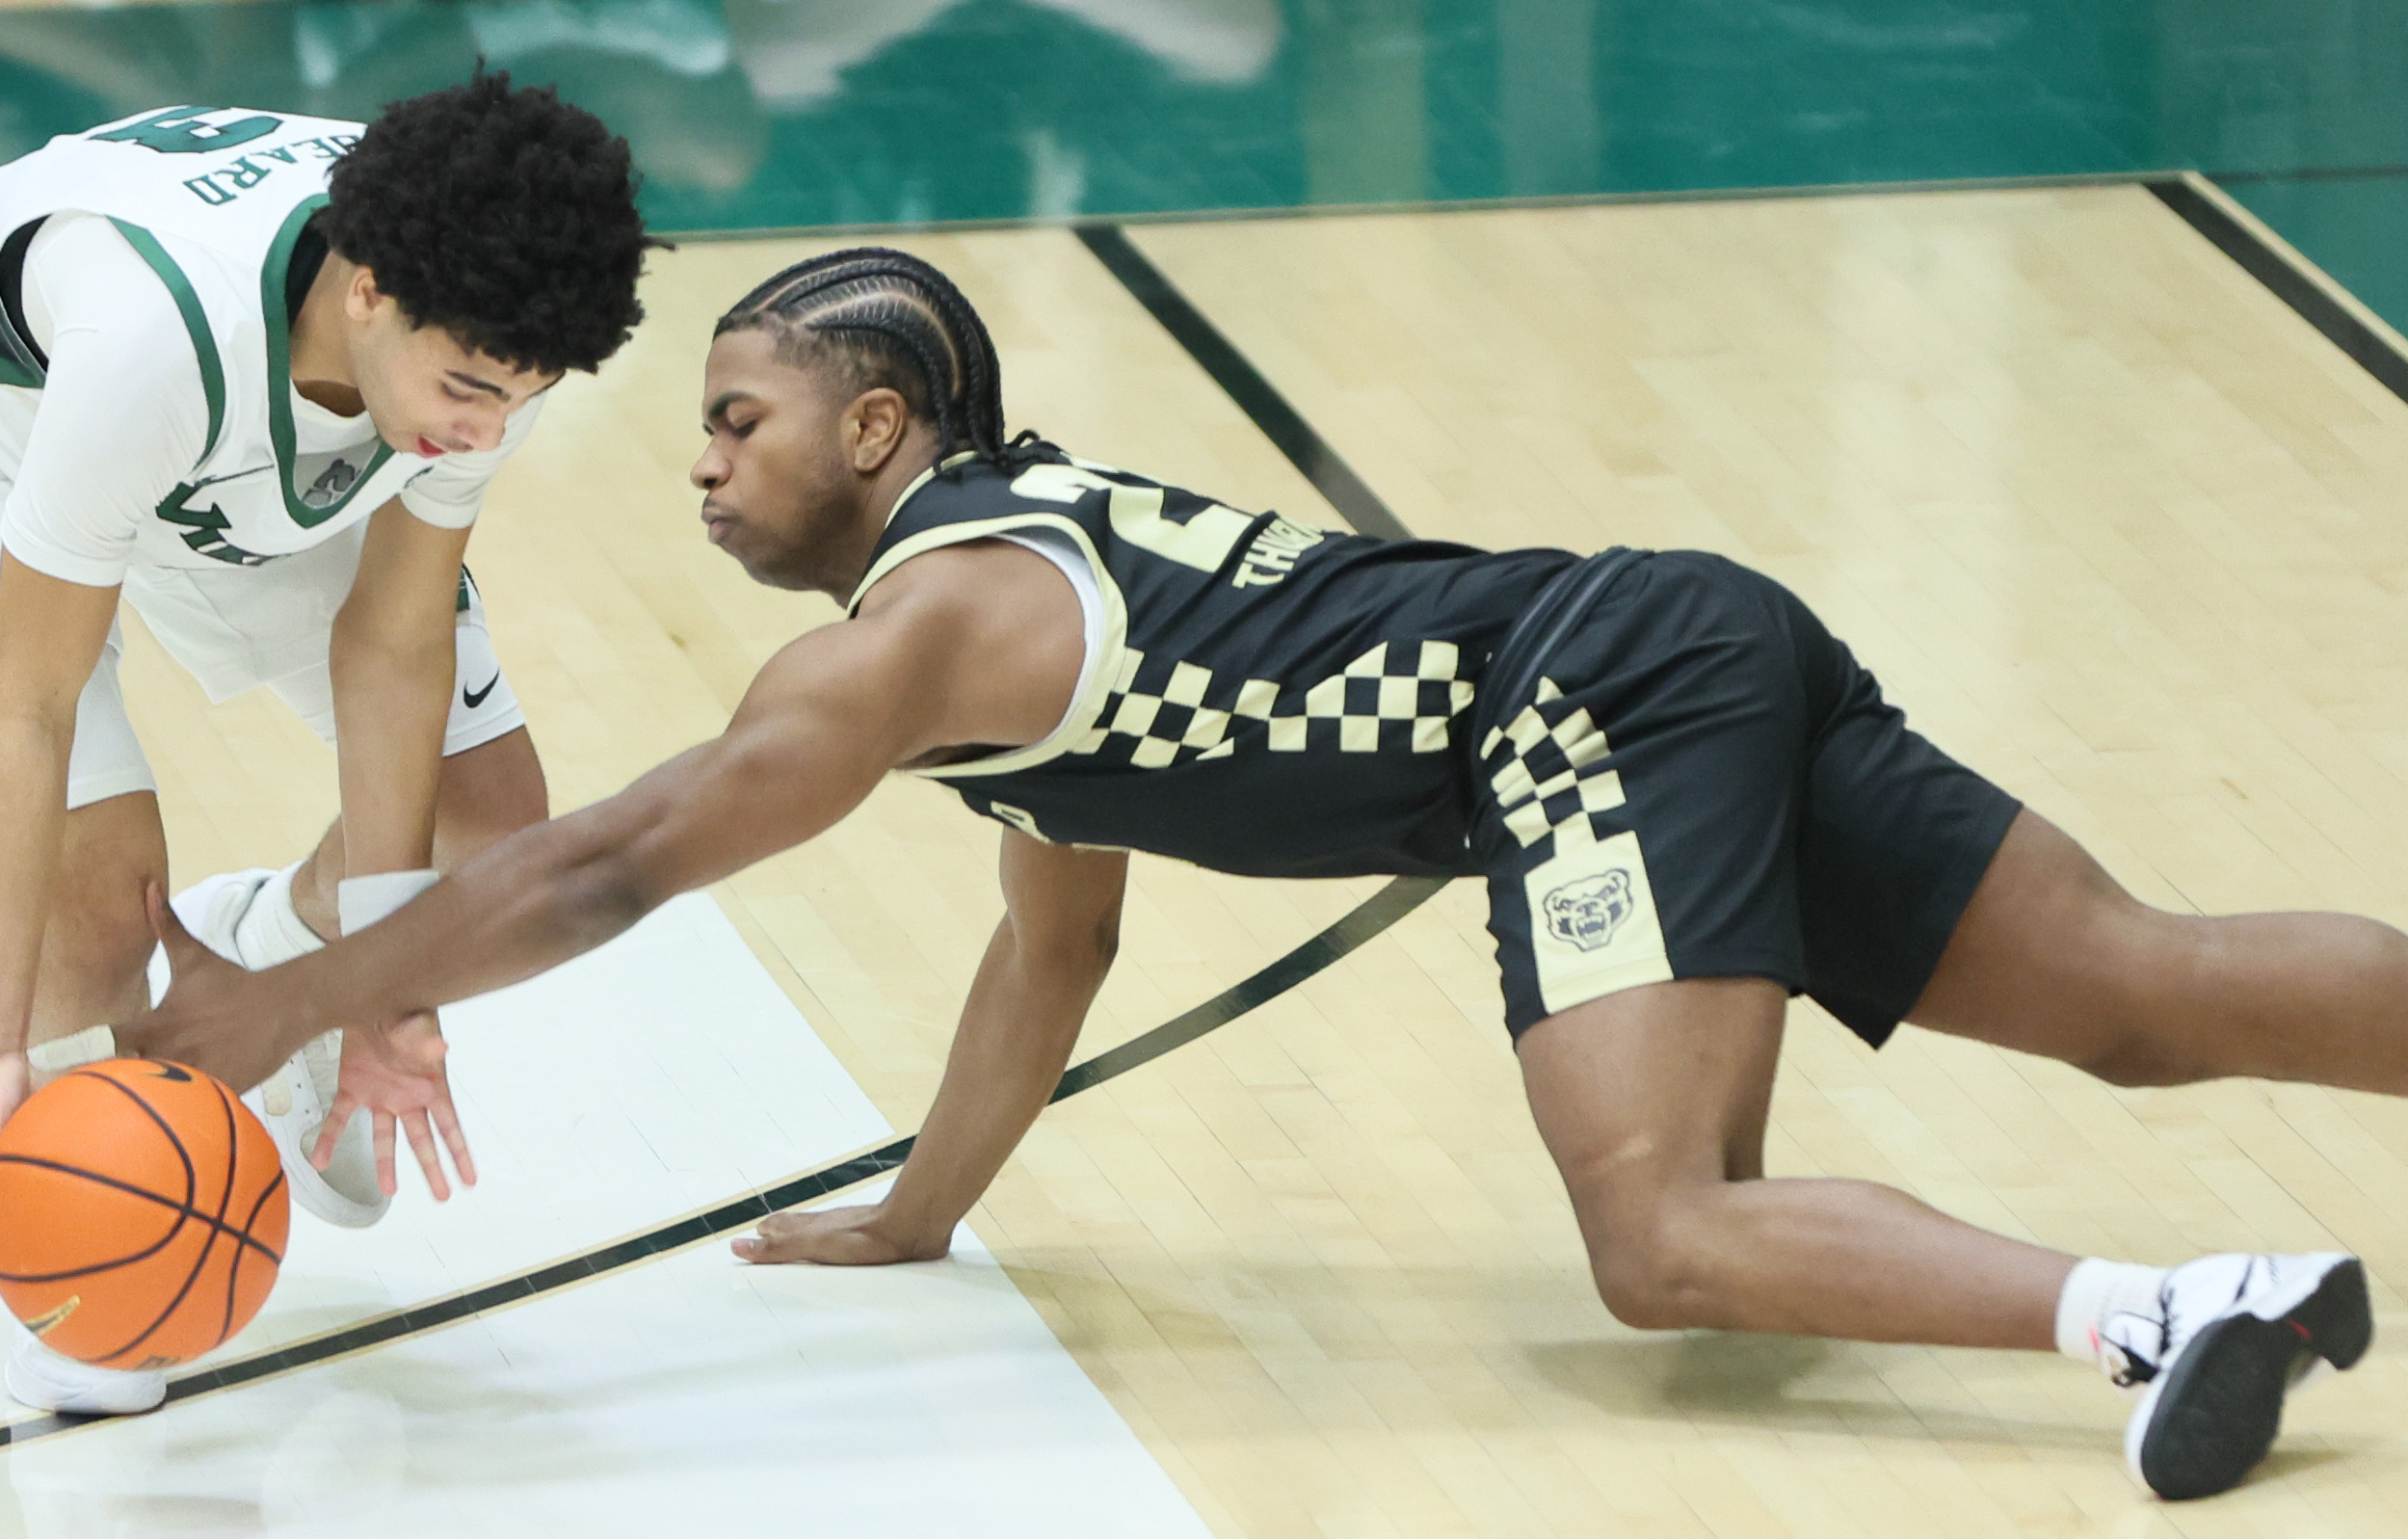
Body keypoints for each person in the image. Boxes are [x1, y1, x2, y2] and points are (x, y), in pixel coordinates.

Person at [120, 248, 2387, 1499]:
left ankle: (2173, 1312)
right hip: (1677, 635)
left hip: (1586, 701)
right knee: (2140, 994)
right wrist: (926, 1212)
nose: (701, 466)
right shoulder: (1004, 618)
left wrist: (290, 998)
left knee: (1663, 1233)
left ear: (882, 429)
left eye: (740, 419)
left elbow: (612, 858)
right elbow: (1060, 934)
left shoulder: (927, 625)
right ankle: (2189, 1280)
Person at [0, 79, 654, 1410]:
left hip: (252, 447)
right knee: (98, 909)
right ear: (368, 289)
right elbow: (37, 709)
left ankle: (270, 945)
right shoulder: (152, 344)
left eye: (525, 397)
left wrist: (380, 984)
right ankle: (84, 1268)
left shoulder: (485, 333)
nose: (487, 432)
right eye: (469, 391)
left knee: (494, 844)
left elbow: (393, 641)